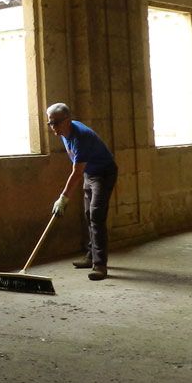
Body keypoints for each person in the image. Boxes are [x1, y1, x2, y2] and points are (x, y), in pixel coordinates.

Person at [45, 102, 118, 281]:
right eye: (50, 123)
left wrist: (63, 198)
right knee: (88, 214)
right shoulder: (63, 131)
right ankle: (91, 255)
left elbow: (76, 173)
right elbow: (80, 169)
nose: (53, 127)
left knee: (96, 216)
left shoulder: (81, 137)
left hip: (103, 174)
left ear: (67, 120)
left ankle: (100, 265)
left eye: (56, 123)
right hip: (90, 172)